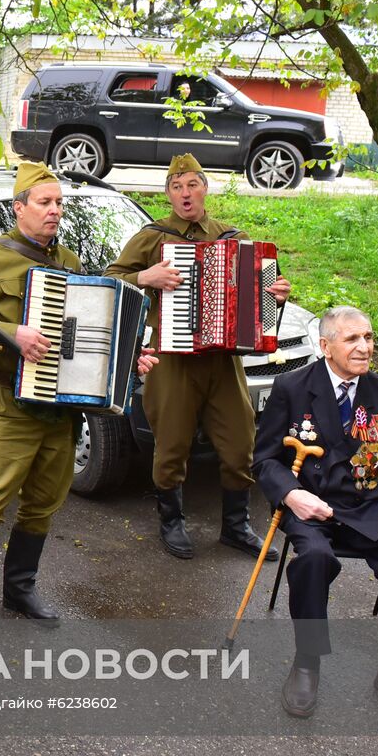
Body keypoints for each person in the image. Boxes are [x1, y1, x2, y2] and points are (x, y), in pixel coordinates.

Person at [0, 161, 157, 647]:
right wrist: (9, 332)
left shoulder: (72, 264)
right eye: (45, 202)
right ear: (20, 208)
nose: (55, 210)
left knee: (42, 506)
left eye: (59, 203)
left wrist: (126, 360)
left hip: (61, 412)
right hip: (5, 406)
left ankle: (20, 590)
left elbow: (92, 337)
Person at [253, 306, 378, 727]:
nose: (364, 346)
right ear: (325, 346)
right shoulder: (291, 387)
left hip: (369, 506)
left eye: (369, 338)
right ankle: (307, 663)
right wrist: (292, 495)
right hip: (312, 505)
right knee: (314, 560)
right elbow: (264, 461)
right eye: (352, 339)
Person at [105, 153, 290, 561]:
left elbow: (258, 298)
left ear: (205, 187)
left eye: (192, 184)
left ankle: (236, 526)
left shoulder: (231, 235)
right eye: (176, 186)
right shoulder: (153, 236)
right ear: (168, 193)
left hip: (224, 361)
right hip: (172, 361)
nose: (185, 194)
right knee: (171, 445)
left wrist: (274, 296)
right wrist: (145, 277)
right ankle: (171, 522)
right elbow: (109, 279)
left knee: (241, 443)